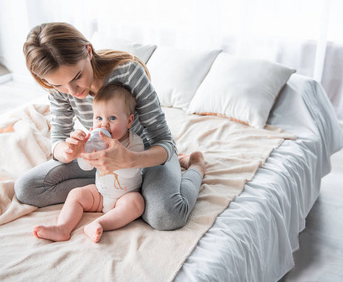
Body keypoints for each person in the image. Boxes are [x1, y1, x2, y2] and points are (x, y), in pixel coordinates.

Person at [15, 22, 205, 231]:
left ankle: (195, 165)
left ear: (88, 51)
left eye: (77, 77)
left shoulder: (128, 73)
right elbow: (58, 140)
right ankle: (124, 194)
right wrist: (68, 151)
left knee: (167, 216)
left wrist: (131, 160)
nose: (72, 91)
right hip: (103, 161)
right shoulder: (60, 89)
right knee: (27, 188)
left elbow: (164, 141)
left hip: (145, 155)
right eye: (58, 85)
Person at [34, 83, 145, 242]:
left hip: (124, 196)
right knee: (76, 194)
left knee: (137, 203)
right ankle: (62, 228)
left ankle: (99, 223)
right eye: (99, 118)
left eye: (112, 118)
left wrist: (115, 156)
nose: (104, 124)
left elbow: (132, 171)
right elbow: (86, 167)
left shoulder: (135, 143)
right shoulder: (96, 142)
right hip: (100, 194)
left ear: (129, 121)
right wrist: (82, 152)